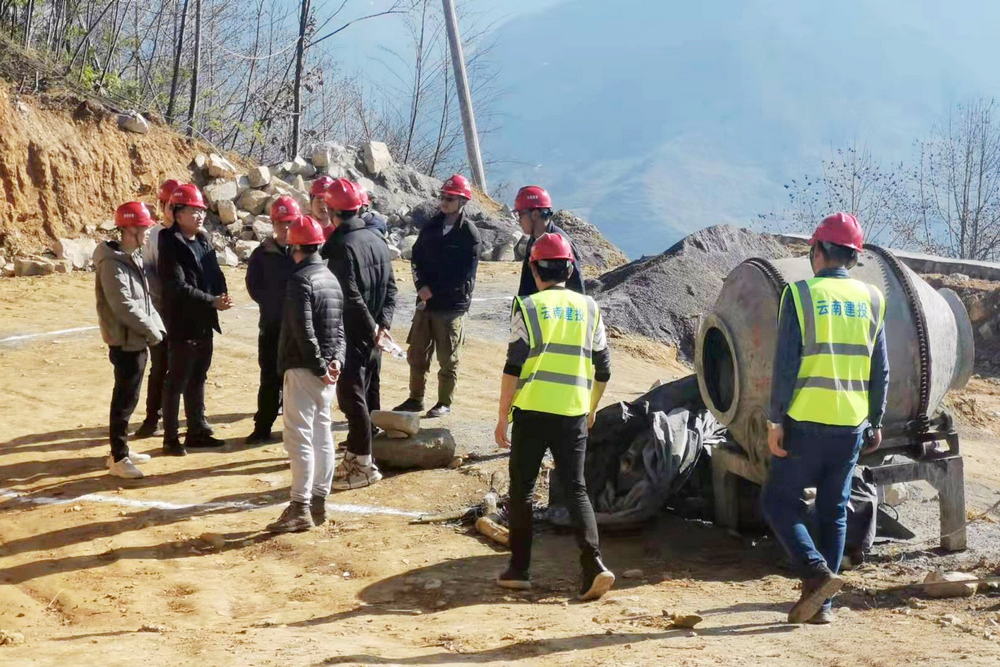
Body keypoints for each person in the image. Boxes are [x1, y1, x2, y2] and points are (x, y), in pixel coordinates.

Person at [762, 212, 889, 625]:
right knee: (833, 509)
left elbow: (785, 365)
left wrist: (774, 420)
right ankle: (824, 608)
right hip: (850, 425)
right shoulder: (873, 298)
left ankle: (816, 575)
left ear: (817, 250)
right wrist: (875, 420)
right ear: (853, 257)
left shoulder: (799, 295)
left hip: (805, 422)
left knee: (778, 501)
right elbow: (880, 369)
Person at [494, 232, 615, 601]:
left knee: (523, 491)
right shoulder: (590, 307)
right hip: (573, 412)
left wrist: (502, 417)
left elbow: (513, 367)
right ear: (570, 268)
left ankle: (519, 570)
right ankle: (593, 564)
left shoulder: (528, 308)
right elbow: (604, 368)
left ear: (533, 268)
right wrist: (591, 408)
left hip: (531, 411)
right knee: (576, 488)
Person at [267, 215, 346, 533]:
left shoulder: (300, 280)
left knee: (299, 438)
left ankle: (300, 507)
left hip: (304, 368)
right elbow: (340, 330)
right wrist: (334, 364)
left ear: (296, 247)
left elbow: (303, 330)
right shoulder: (330, 278)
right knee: (322, 436)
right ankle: (318, 503)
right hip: (326, 370)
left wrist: (317, 366)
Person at [321, 178, 397, 490]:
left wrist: (371, 328)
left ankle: (363, 464)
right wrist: (383, 327)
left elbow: (349, 296)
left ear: (331, 211)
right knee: (362, 394)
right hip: (374, 333)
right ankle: (356, 454)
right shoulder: (376, 239)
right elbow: (392, 288)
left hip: (352, 333)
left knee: (352, 399)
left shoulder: (340, 245)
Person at [393, 174, 481, 418]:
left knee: (448, 359)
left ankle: (444, 402)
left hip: (451, 306)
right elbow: (416, 259)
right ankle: (415, 399)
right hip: (425, 303)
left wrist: (435, 290)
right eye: (443, 197)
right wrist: (420, 285)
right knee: (417, 354)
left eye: (450, 198)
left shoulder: (469, 235)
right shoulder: (431, 226)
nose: (444, 202)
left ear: (462, 201)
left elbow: (464, 274)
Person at [158, 183, 233, 456]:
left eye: (200, 210)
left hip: (204, 322)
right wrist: (210, 300)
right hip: (182, 322)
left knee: (198, 378)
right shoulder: (168, 242)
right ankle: (170, 438)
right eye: (191, 211)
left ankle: (197, 431)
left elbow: (213, 273)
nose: (199, 216)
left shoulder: (202, 241)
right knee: (176, 381)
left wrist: (221, 295)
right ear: (177, 214)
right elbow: (176, 286)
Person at [93, 202, 166, 479]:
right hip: (125, 341)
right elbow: (123, 304)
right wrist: (152, 331)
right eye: (144, 229)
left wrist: (156, 326)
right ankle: (118, 457)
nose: (148, 233)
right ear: (129, 230)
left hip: (136, 338)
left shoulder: (130, 257)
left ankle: (119, 449)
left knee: (129, 395)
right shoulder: (113, 264)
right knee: (124, 398)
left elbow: (144, 300)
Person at [244, 196, 300, 445]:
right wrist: (272, 304)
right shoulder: (261, 254)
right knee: (269, 378)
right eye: (281, 223)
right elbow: (253, 286)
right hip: (272, 326)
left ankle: (294, 428)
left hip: (299, 329)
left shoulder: (304, 252)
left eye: (290, 222)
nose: (286, 228)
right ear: (273, 223)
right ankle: (262, 426)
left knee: (297, 382)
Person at [134, 178, 182, 438]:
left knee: (185, 368)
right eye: (170, 205)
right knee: (159, 366)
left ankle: (191, 419)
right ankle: (153, 418)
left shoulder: (191, 234)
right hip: (161, 311)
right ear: (162, 205)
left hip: (183, 313)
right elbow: (147, 274)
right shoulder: (153, 236)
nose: (174, 211)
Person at [514, 185, 585, 297]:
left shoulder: (562, 244)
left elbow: (576, 289)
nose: (519, 220)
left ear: (535, 214)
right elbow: (526, 285)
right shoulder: (534, 241)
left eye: (520, 215)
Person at [309, 176, 336, 241]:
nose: (323, 206)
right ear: (311, 201)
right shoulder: (302, 227)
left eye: (327, 201)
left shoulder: (339, 231)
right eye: (319, 200)